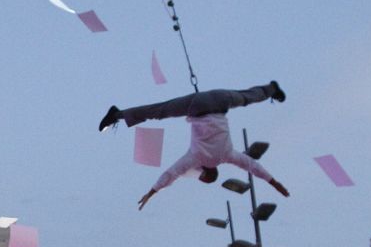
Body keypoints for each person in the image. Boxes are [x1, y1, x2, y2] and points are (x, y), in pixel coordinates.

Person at [98, 82, 289, 205]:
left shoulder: (228, 155)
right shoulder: (195, 158)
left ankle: (270, 89)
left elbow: (252, 166)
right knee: (158, 111)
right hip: (196, 106)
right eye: (202, 177)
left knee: (246, 97)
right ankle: (116, 115)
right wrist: (152, 192)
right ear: (205, 171)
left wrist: (275, 183)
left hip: (220, 99)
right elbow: (171, 174)